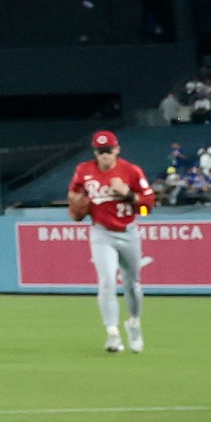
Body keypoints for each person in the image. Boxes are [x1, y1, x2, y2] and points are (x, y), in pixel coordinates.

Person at [68, 128, 155, 353]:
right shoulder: (83, 170)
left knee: (133, 285)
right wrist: (78, 204)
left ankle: (134, 322)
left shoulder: (131, 171)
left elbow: (148, 208)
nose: (104, 155)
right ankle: (112, 333)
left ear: (117, 149)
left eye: (108, 150)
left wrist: (128, 194)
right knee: (106, 282)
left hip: (128, 231)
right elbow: (73, 194)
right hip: (101, 232)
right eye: (100, 151)